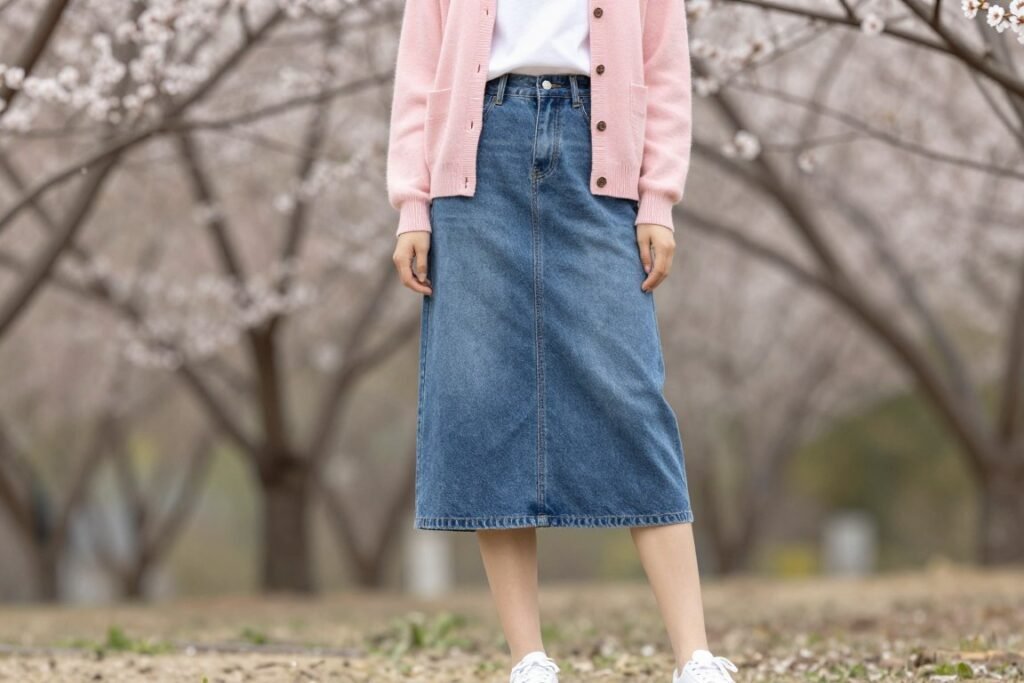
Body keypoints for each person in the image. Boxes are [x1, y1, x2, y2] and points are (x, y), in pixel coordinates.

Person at [386, 2, 738, 682]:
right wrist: (412, 206)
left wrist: (658, 199)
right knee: (485, 397)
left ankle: (694, 654)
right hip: (474, 157)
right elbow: (420, 71)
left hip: (597, 152)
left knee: (631, 394)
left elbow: (664, 68)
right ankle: (529, 657)